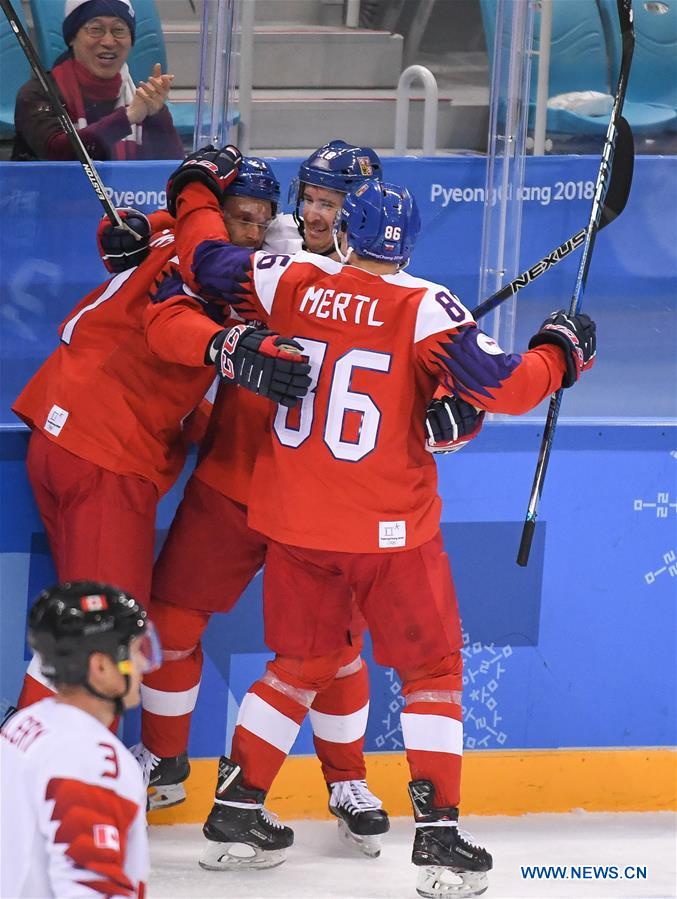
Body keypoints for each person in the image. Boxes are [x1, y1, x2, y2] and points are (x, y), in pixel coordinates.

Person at [165, 174, 597, 893]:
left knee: (297, 663)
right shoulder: (428, 307)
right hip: (389, 531)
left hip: (296, 520)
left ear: (344, 230)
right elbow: (513, 387)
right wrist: (561, 351)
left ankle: (236, 814)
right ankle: (437, 840)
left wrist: (196, 195)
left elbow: (204, 262)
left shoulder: (287, 278)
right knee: (430, 671)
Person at [127, 142, 395, 860]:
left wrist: (456, 415)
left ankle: (346, 780)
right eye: (307, 196)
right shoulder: (267, 265)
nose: (313, 213)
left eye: (331, 202)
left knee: (332, 650)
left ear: (362, 211)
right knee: (170, 622)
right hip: (233, 478)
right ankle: (163, 762)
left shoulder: (393, 290)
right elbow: (197, 259)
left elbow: (441, 368)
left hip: (320, 505)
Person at [11, 148, 310, 710]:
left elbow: (127, 230)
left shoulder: (175, 234)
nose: (250, 232)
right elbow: (168, 329)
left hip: (63, 432)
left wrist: (126, 227)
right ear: (215, 213)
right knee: (105, 637)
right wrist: (227, 345)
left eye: (259, 219)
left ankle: (37, 766)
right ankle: (32, 775)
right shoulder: (213, 269)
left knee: (86, 622)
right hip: (106, 455)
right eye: (238, 216)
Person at [0, 580, 161, 899]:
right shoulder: (92, 757)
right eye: (132, 652)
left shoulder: (24, 726)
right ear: (99, 666)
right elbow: (90, 887)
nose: (143, 665)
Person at [12, 0, 184, 161]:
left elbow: (171, 171)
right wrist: (127, 117)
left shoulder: (140, 100)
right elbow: (56, 152)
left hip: (125, 194)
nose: (109, 42)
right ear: (72, 38)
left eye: (118, 30)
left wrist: (158, 115)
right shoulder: (38, 93)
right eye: (95, 29)